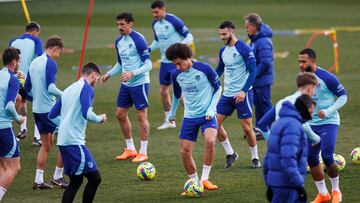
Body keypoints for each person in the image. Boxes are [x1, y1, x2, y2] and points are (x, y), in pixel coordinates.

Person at [167, 43, 222, 191]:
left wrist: (211, 109)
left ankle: (205, 179)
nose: (177, 67)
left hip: (207, 115)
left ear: (187, 57)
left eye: (179, 63)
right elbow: (177, 95)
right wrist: (172, 113)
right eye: (175, 64)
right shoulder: (176, 74)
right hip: (190, 116)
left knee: (210, 141)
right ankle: (194, 182)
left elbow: (218, 89)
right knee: (184, 151)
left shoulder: (204, 69)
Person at [49, 62, 106, 203]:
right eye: (97, 79)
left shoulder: (69, 89)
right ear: (93, 76)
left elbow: (52, 115)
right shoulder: (87, 88)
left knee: (76, 181)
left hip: (64, 141)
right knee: (95, 178)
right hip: (74, 142)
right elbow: (87, 113)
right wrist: (100, 119)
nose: (96, 83)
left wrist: (63, 127)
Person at [101, 12, 152, 163]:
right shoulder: (119, 41)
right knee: (120, 114)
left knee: (141, 115)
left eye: (122, 24)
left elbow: (148, 65)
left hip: (140, 83)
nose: (119, 27)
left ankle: (143, 152)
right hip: (126, 84)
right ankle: (130, 149)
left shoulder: (139, 40)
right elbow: (120, 64)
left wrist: (132, 73)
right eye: (118, 25)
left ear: (131, 24)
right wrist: (109, 74)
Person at [298, 48, 347, 203]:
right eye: (299, 61)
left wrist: (328, 110)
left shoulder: (327, 77)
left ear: (313, 61)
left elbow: (343, 97)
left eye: (303, 61)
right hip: (311, 124)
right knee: (311, 158)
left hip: (329, 122)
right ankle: (323, 194)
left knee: (326, 156)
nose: (300, 64)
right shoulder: (301, 78)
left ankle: (336, 191)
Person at [24, 36, 68, 189]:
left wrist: (37, 98)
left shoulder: (34, 62)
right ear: (55, 48)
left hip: (37, 111)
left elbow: (26, 89)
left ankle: (38, 180)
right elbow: (50, 88)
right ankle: (57, 176)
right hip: (48, 111)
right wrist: (68, 95)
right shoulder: (50, 63)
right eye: (59, 52)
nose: (59, 55)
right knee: (67, 138)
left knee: (46, 145)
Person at [215, 21, 260, 169]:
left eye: (224, 34)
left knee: (247, 129)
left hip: (243, 94)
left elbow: (253, 72)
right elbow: (220, 69)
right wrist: (209, 81)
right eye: (220, 34)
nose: (222, 37)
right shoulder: (222, 51)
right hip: (227, 95)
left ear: (232, 31)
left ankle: (255, 157)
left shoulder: (244, 49)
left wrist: (243, 90)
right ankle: (231, 153)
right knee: (214, 125)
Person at [149, 0, 194, 130]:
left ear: (163, 9)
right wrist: (149, 49)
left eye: (156, 12)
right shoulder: (155, 24)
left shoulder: (174, 20)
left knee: (179, 92)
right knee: (163, 90)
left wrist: (178, 48)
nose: (154, 15)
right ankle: (170, 120)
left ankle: (192, 117)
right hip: (164, 62)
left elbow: (189, 37)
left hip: (176, 63)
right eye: (153, 12)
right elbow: (157, 41)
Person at [263, 94, 315, 203]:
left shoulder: (278, 123)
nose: (312, 116)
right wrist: (299, 185)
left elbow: (268, 156)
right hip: (288, 184)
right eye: (310, 112)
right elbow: (288, 158)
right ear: (303, 109)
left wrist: (269, 181)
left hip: (277, 183)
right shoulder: (293, 126)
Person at [257, 72, 321, 145]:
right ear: (309, 88)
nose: (314, 92)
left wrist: (271, 141)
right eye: (314, 88)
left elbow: (262, 124)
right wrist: (316, 139)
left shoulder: (283, 101)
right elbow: (304, 126)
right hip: (292, 145)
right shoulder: (303, 103)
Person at [9, 21, 43, 145]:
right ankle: (37, 138)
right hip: (29, 78)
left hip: (15, 77)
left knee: (22, 101)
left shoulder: (13, 41)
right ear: (34, 32)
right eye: (38, 34)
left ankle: (23, 129)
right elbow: (40, 57)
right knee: (37, 104)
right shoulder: (36, 41)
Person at [0, 47, 25, 201]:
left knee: (3, 167)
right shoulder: (13, 80)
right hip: (3, 127)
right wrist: (19, 119)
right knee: (14, 167)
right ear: (14, 62)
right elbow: (9, 106)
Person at [244, 13, 274, 130]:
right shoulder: (255, 40)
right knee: (258, 104)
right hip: (257, 79)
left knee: (265, 104)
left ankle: (270, 129)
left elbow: (266, 62)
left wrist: (254, 74)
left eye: (248, 27)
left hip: (262, 79)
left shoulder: (263, 41)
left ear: (255, 26)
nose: (246, 29)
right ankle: (259, 128)